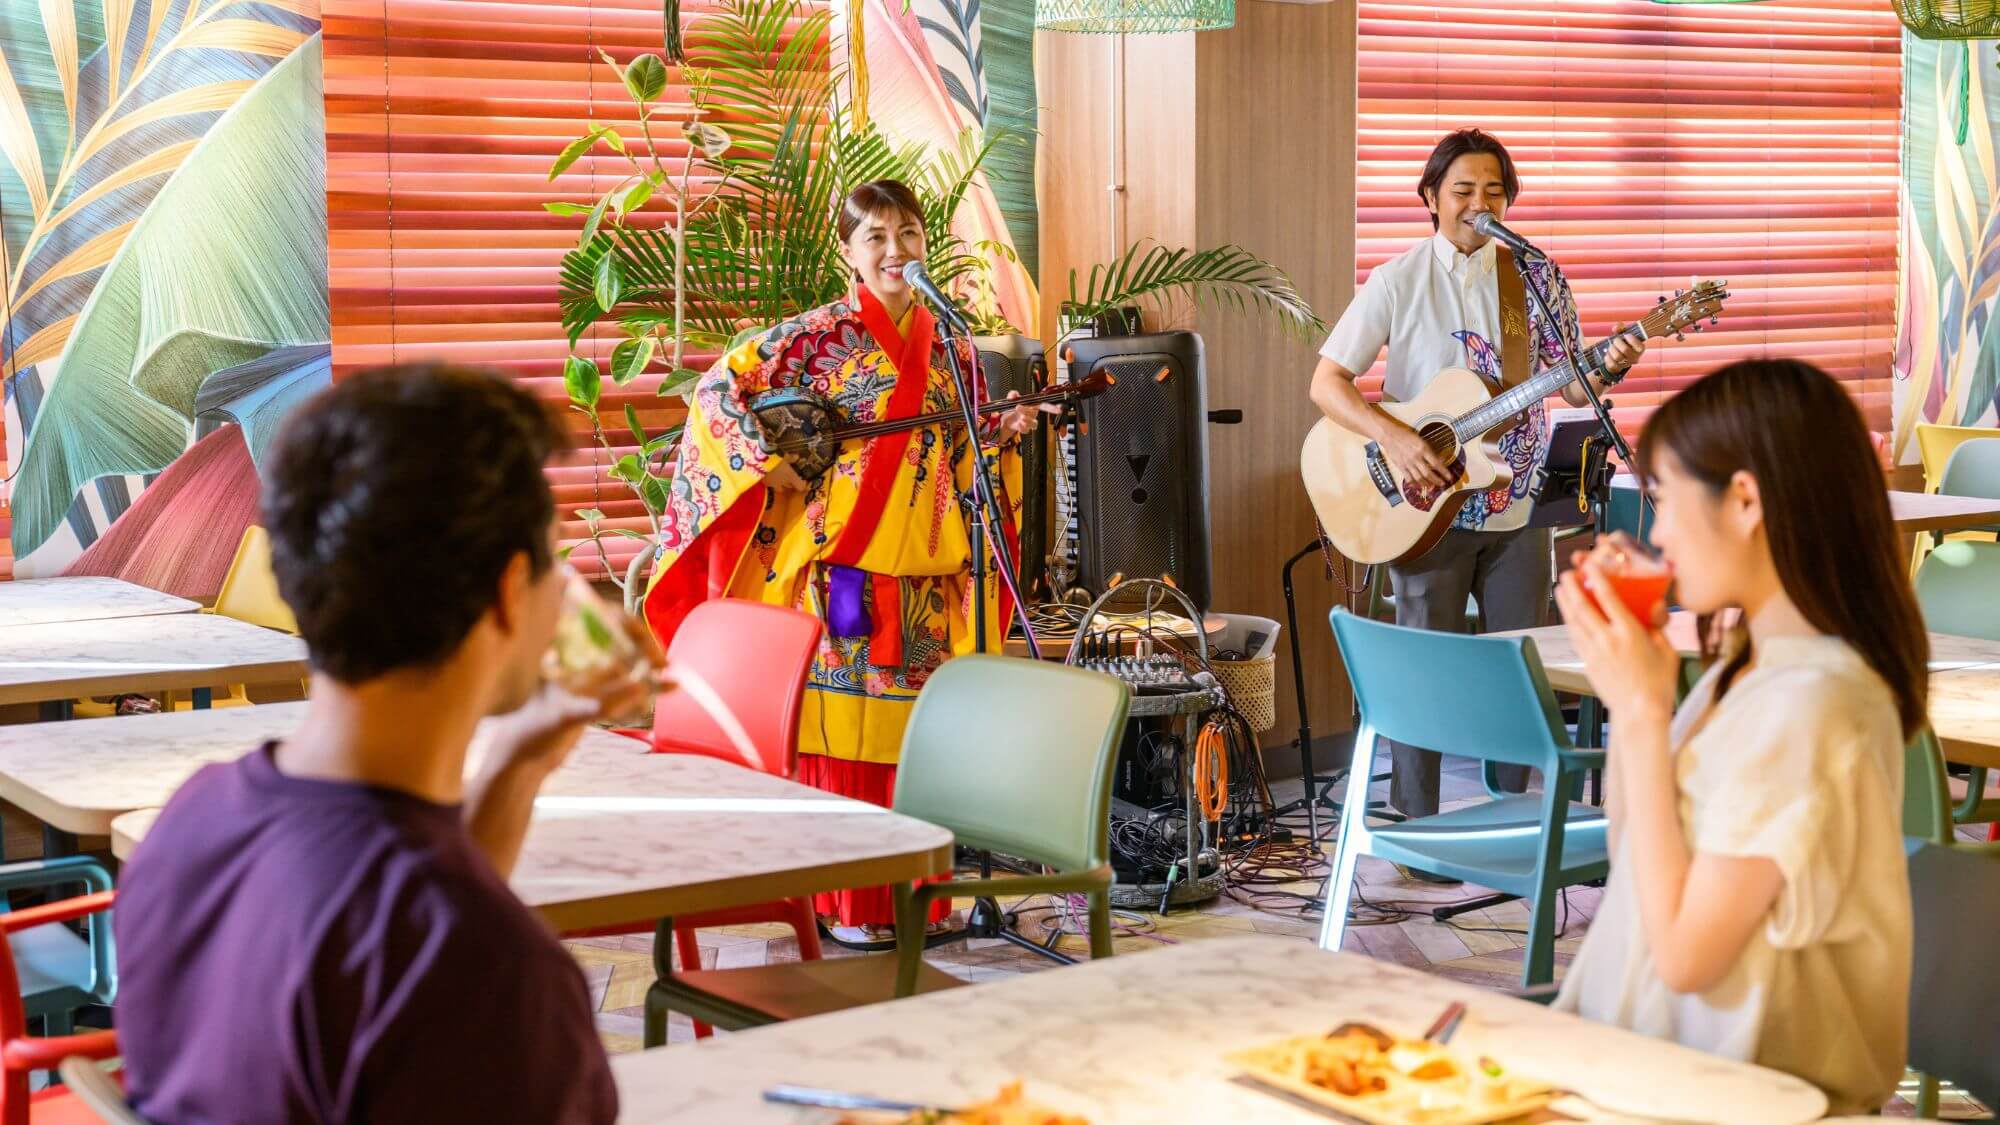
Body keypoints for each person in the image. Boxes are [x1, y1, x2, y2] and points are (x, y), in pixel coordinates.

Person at [114, 364, 660, 1124]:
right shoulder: (491, 971)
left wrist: (522, 758)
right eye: (553, 560)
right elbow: (429, 935)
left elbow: (398, 910)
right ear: (508, 591)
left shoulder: (192, 822)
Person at [643, 179, 1048, 944]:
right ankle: (843, 904)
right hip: (843, 571)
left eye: (908, 233)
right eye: (876, 237)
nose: (895, 251)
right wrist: (768, 462)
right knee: (844, 739)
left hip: (927, 569)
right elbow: (716, 391)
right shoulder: (812, 336)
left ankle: (919, 900)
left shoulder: (954, 344)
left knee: (914, 742)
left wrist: (1000, 434)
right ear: (847, 253)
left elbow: (956, 452)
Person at [1552, 358, 1924, 1115]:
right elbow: (1639, 857)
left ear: (1745, 499)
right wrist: (1638, 697)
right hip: (1657, 1079)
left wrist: (1648, 709)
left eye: (1662, 498)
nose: (1655, 531)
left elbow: (1686, 954)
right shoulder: (1746, 671)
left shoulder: (1812, 703)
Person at [1308, 127, 1647, 831]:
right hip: (1422, 505)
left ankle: (1512, 820)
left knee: (1518, 669)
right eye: (1463, 189)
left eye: (1494, 190)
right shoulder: (1397, 279)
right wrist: (1396, 437)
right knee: (1423, 668)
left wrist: (1610, 362)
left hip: (1515, 501)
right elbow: (1327, 384)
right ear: (1431, 198)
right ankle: (1414, 825)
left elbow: (1576, 389)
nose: (1478, 202)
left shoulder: (1535, 277)